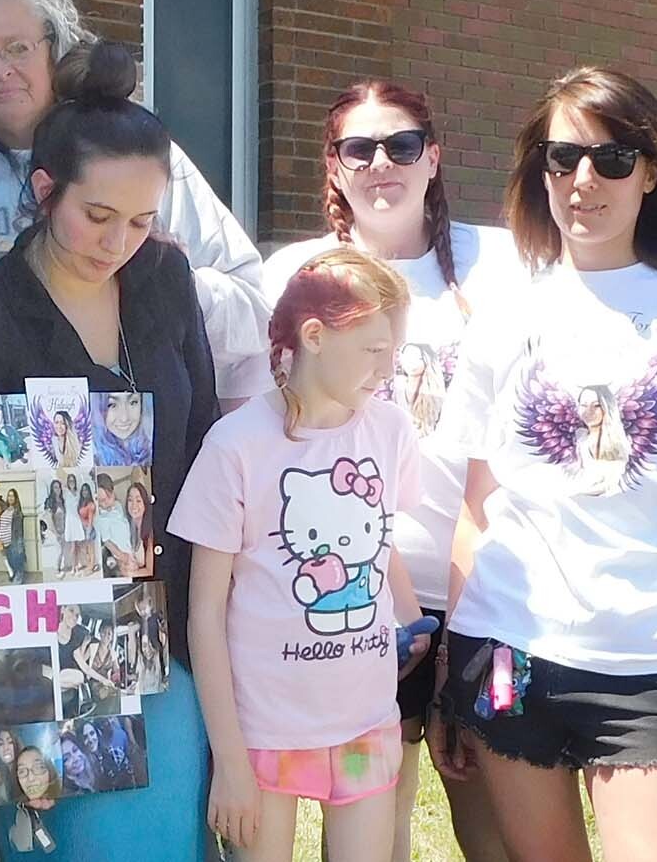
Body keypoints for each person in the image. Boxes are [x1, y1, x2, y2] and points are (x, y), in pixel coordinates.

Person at [425, 66, 657, 862]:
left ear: (650, 173)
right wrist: (452, 665)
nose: (584, 180)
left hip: (652, 660)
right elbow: (478, 506)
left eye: (612, 159)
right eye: (563, 158)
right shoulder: (505, 314)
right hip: (509, 651)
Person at [0, 37, 220, 859]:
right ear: (44, 190)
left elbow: (202, 436)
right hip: (41, 653)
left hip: (174, 630)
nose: (119, 241)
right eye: (97, 216)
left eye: (142, 220)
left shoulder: (165, 278)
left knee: (171, 840)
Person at [262, 78, 525, 860]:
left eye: (402, 145)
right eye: (359, 148)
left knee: (492, 815)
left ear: (433, 157)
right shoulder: (299, 275)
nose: (381, 163)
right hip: (352, 597)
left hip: (485, 588)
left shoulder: (503, 263)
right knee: (375, 820)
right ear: (334, 166)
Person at [0, 0, 272, 411]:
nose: (1, 70)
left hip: (130, 443)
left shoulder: (135, 161)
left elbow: (254, 315)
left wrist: (171, 281)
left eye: (18, 48)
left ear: (54, 48)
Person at [173, 248, 427, 861]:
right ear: (314, 337)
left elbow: (382, 541)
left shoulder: (391, 430)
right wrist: (230, 760)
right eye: (375, 349)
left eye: (395, 350)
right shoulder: (236, 445)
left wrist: (416, 628)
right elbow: (204, 614)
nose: (389, 368)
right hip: (264, 735)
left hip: (365, 722)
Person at [95, 392, 152, 465]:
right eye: (112, 405)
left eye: (133, 402)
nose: (124, 418)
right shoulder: (95, 458)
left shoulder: (149, 448)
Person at [121, 482, 154, 578]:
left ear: (145, 504)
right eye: (130, 500)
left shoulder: (150, 532)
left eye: (138, 501)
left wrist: (130, 574)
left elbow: (150, 570)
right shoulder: (127, 528)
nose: (134, 505)